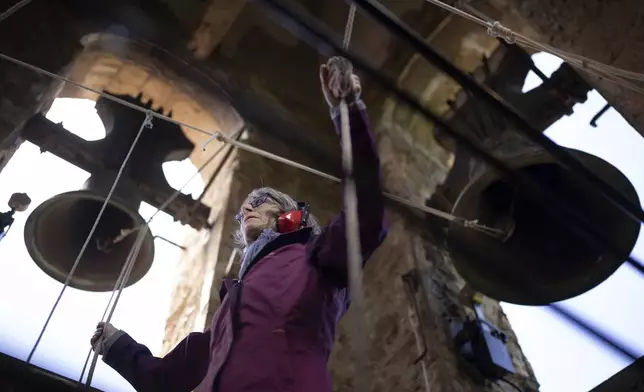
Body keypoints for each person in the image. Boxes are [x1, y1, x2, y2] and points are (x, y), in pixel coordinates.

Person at [90, 58, 389, 392]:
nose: (246, 209)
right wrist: (117, 347)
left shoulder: (317, 258)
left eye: (260, 202)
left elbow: (366, 211)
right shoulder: (229, 315)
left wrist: (348, 114)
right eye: (243, 208)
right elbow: (166, 379)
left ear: (287, 217)